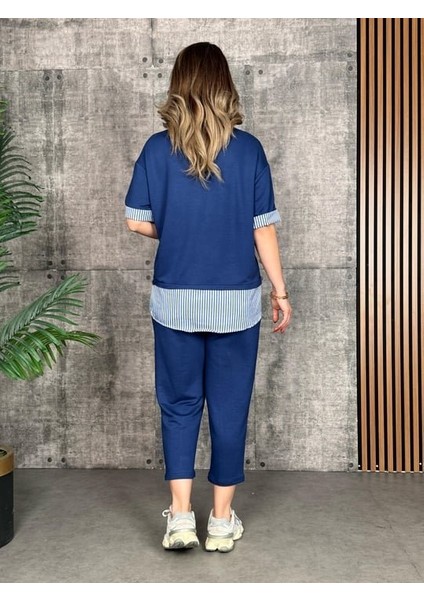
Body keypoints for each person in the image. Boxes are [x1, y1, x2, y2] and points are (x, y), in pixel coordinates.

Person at [124, 42, 292, 553]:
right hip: (235, 302)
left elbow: (136, 221)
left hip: (173, 300)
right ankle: (220, 522)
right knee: (229, 406)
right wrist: (280, 291)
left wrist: (177, 229)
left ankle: (180, 518)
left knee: (178, 406)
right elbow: (262, 229)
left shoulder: (157, 148)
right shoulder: (250, 150)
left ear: (179, 85)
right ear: (225, 86)